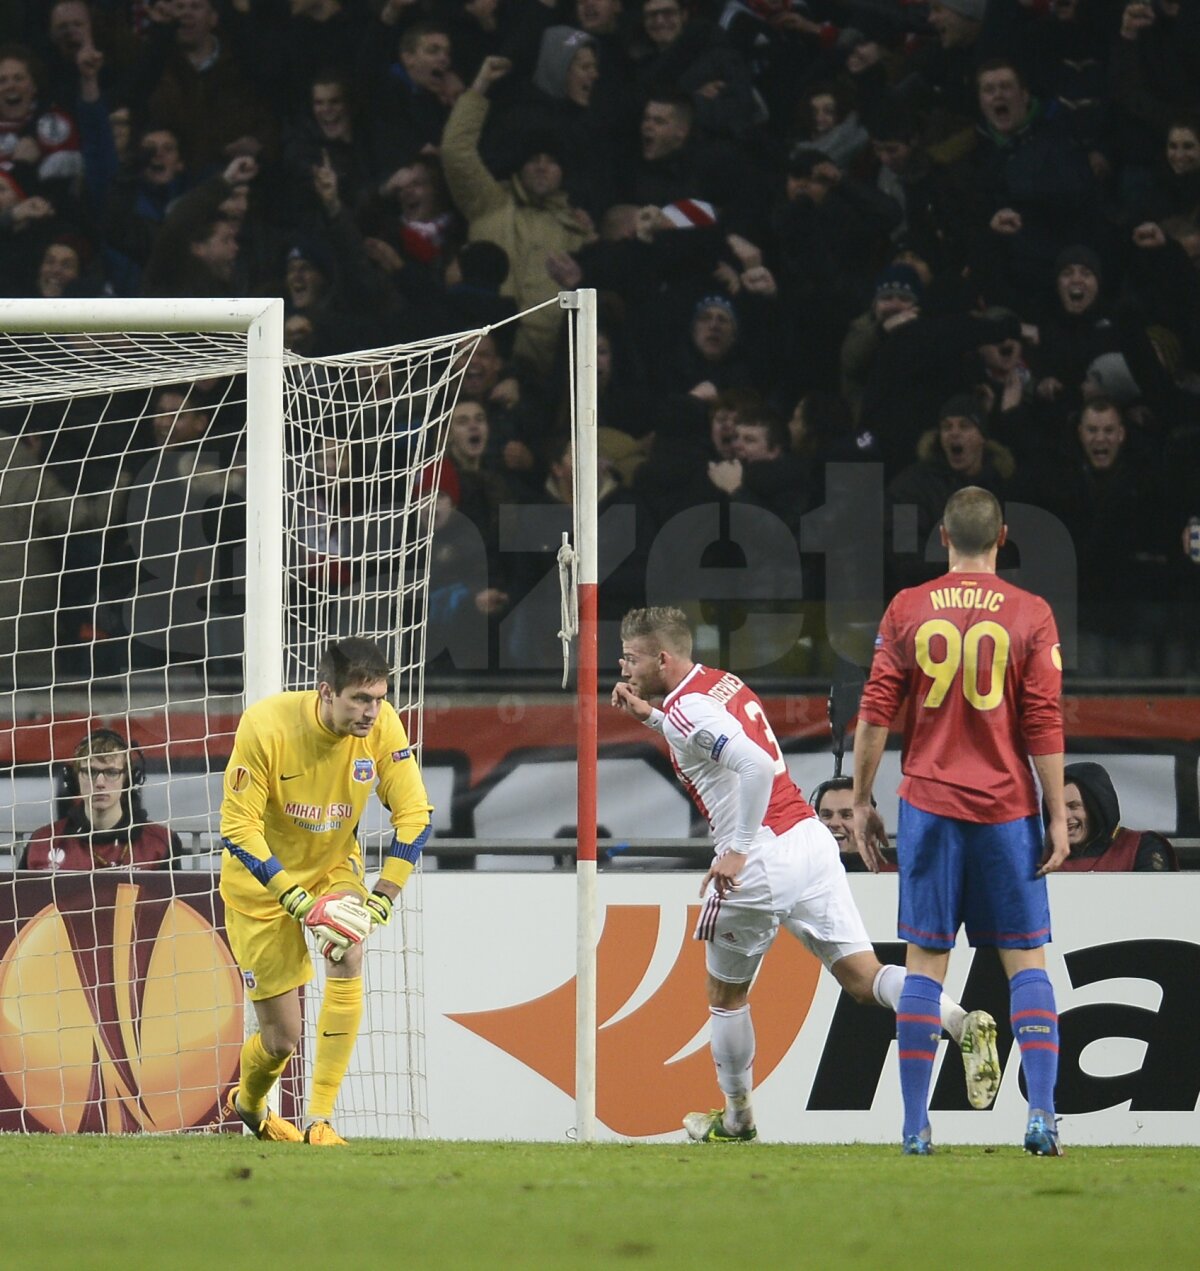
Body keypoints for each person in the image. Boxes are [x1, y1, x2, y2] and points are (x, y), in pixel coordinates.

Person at [611, 605, 998, 1144]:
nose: (623, 667)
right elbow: (708, 743)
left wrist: (739, 850)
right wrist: (649, 716)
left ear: (662, 657)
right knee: (864, 978)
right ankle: (960, 1022)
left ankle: (738, 1118)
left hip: (762, 856)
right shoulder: (720, 685)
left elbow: (751, 765)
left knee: (725, 997)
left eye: (631, 658)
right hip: (810, 844)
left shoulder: (688, 710)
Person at [850, 486, 1068, 1157]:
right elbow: (1043, 720)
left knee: (925, 965)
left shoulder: (908, 607)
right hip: (1005, 808)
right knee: (1025, 962)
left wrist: (861, 798)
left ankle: (916, 1125)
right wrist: (1058, 812)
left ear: (942, 536)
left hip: (930, 805)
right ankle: (1043, 1116)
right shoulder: (1031, 613)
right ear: (1003, 536)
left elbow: (876, 708)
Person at [219, 637, 432, 1145]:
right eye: (360, 699)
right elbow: (238, 827)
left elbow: (415, 815)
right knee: (280, 1040)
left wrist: (381, 897)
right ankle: (248, 1102)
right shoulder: (266, 726)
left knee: (347, 946)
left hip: (333, 870)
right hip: (260, 887)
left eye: (379, 698)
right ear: (325, 693)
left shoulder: (382, 728)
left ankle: (320, 1119)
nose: (372, 711)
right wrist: (297, 902)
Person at [20, 729, 180, 869]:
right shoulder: (42, 843)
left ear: (128, 779)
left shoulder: (161, 843)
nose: (100, 783)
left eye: (111, 772)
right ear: (74, 779)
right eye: (90, 772)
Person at [1057, 762, 1179, 872]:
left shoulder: (1141, 848)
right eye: (1056, 808)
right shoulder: (1042, 856)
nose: (1064, 816)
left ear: (1098, 808)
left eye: (1074, 806)